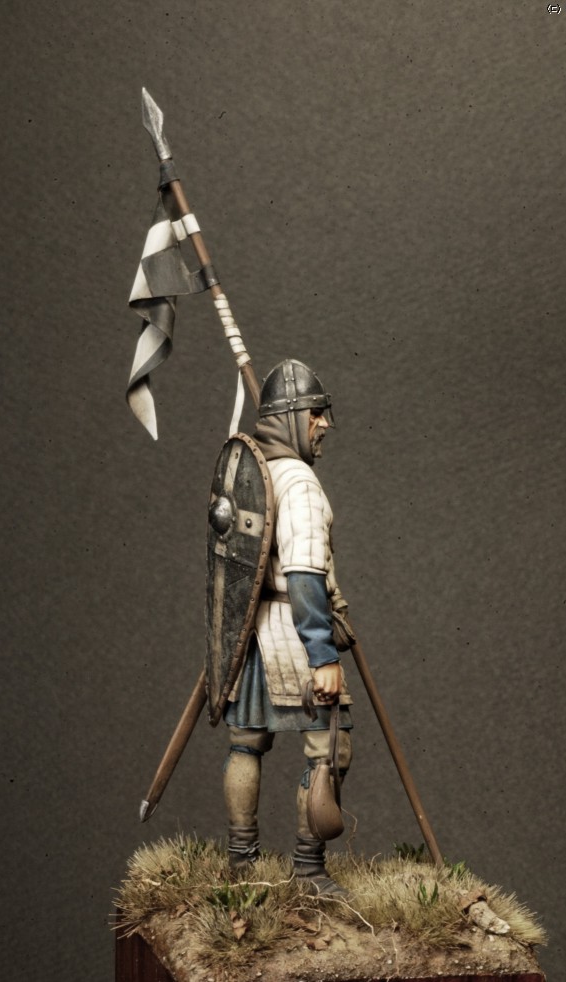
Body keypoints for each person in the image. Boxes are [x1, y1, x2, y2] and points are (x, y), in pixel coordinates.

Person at [222, 358, 354, 895]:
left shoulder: (251, 475)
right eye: (316, 413)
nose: (324, 424)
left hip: (246, 635)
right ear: (295, 417)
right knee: (329, 749)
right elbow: (303, 575)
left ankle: (241, 859)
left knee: (246, 742)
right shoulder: (299, 484)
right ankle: (308, 870)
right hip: (290, 634)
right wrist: (323, 656)